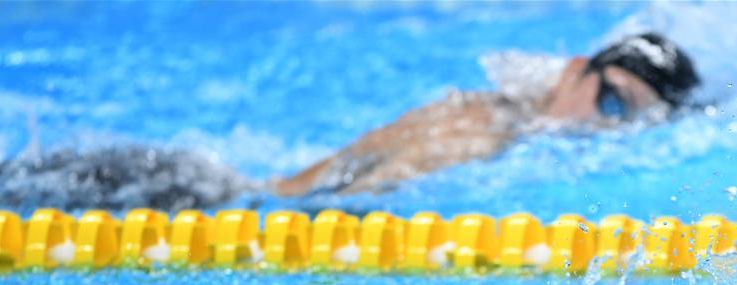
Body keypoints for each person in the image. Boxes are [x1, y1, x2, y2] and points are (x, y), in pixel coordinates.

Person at [273, 32, 701, 196]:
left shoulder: (507, 122)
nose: (609, 125)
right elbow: (346, 199)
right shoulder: (483, 130)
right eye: (612, 101)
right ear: (574, 70)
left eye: (632, 121)